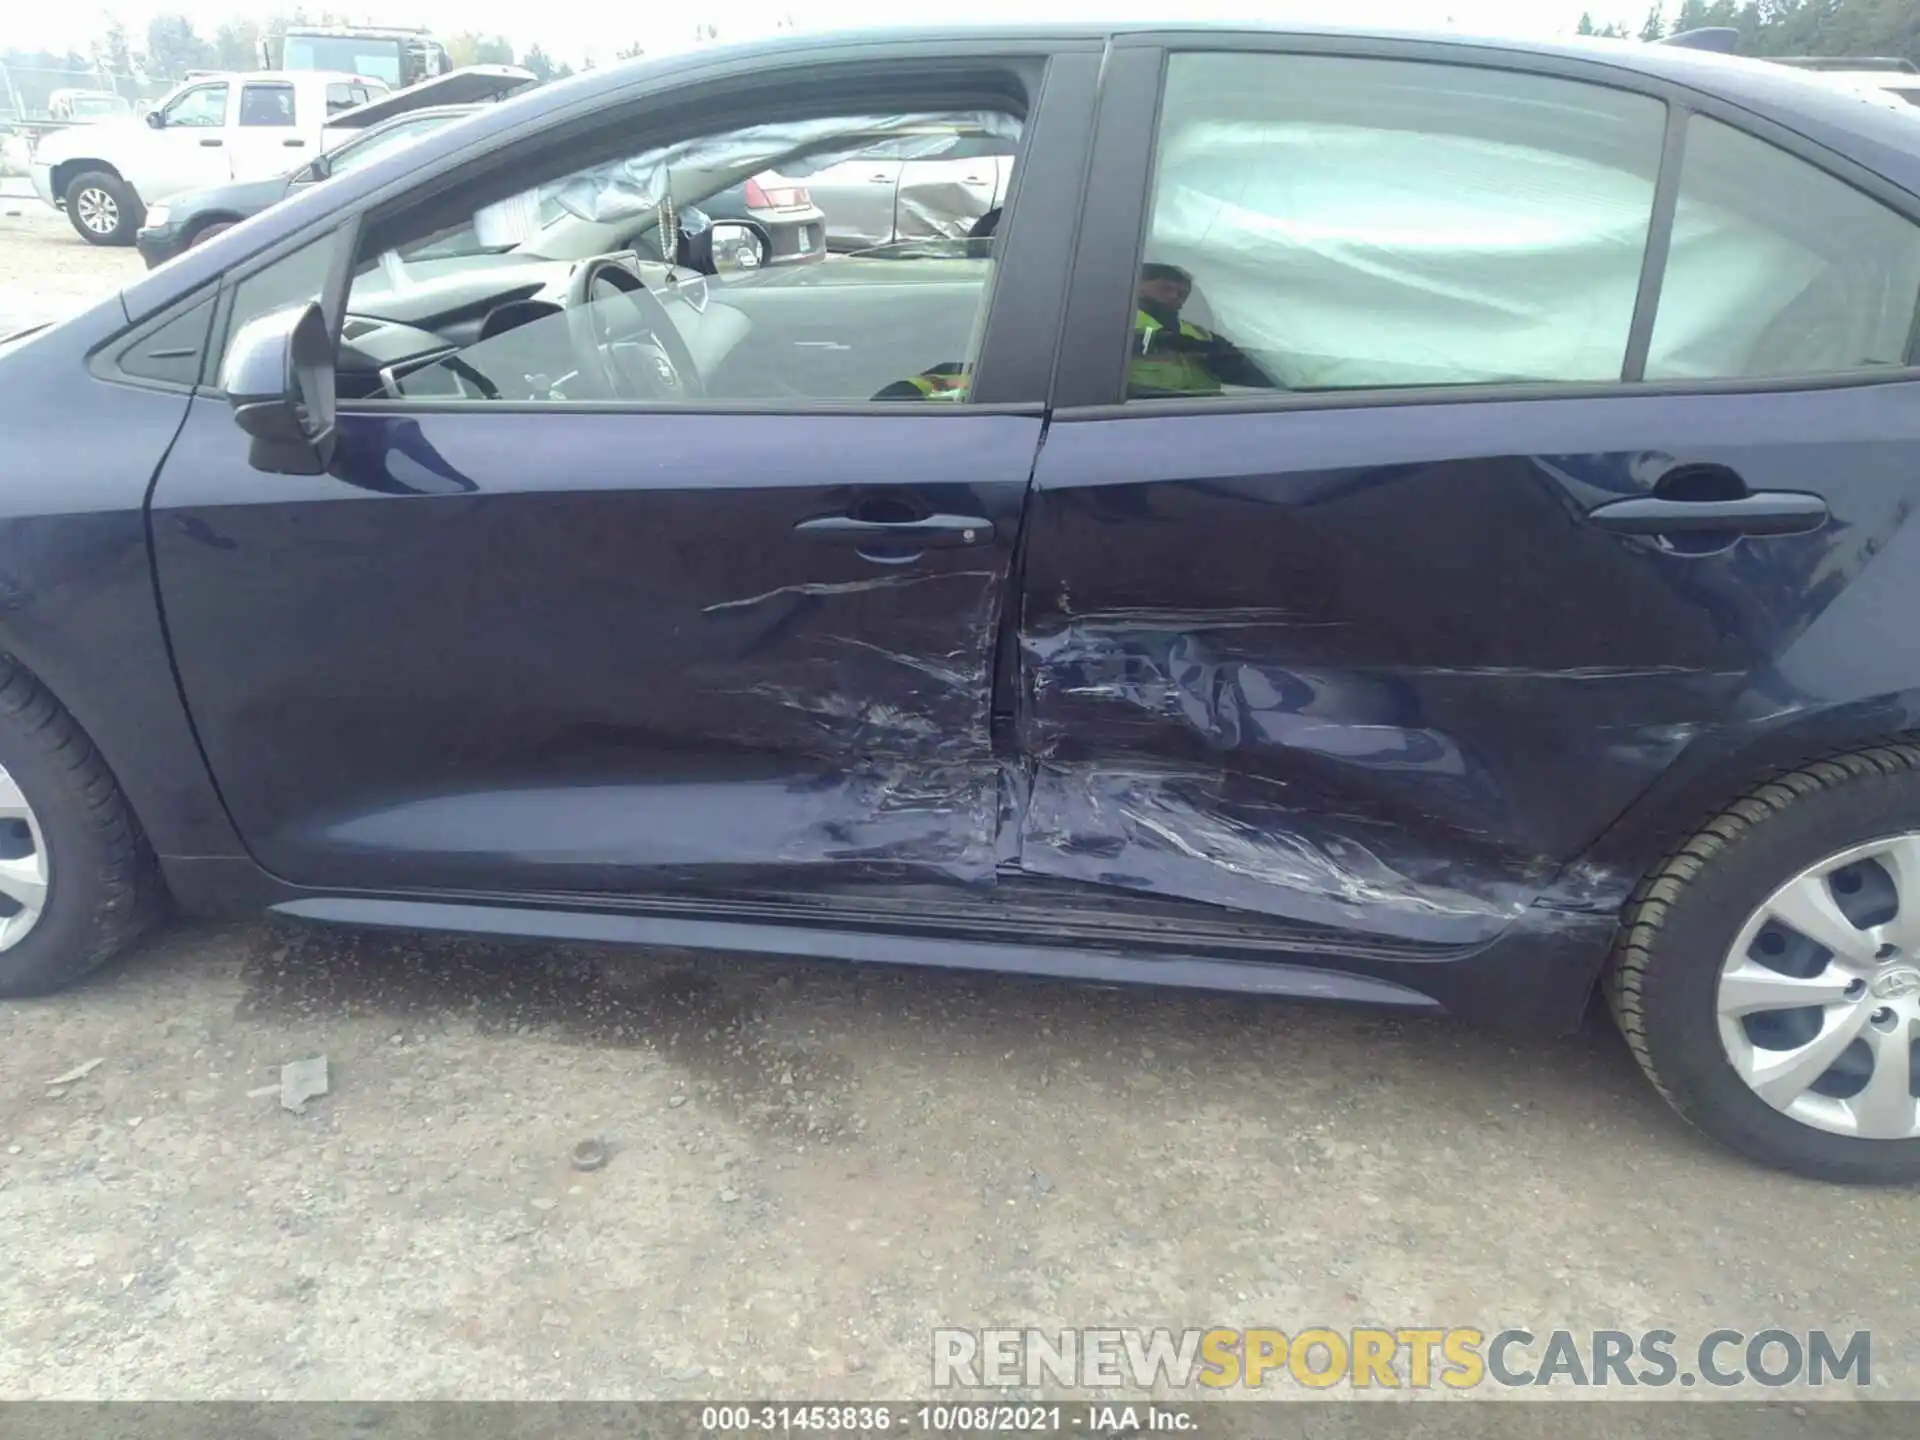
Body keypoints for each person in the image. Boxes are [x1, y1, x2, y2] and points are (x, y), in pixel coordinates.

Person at [1129, 262, 1273, 397]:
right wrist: (1159, 341)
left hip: (1204, 412)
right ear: (1138, 287)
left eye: (1182, 294)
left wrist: (1224, 360)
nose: (1174, 297)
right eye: (1166, 289)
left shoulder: (1201, 335)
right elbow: (1115, 349)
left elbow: (1251, 376)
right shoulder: (1120, 323)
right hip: (1141, 409)